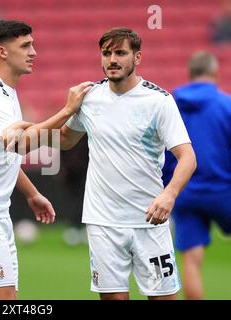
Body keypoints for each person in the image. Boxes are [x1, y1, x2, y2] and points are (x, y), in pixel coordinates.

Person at [14, 27, 196, 300]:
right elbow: (65, 140)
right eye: (106, 53)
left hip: (149, 220)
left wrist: (169, 195)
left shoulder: (159, 101)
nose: (112, 59)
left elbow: (188, 157)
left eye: (120, 53)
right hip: (103, 222)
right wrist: (32, 127)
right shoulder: (89, 98)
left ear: (137, 58)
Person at [0, 20, 91, 300]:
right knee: (2, 300)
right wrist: (66, 110)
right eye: (25, 45)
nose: (33, 52)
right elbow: (20, 143)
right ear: (2, 52)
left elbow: (3, 155)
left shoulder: (6, 92)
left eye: (32, 44)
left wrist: (32, 193)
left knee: (8, 298)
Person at [162, 51, 231, 300]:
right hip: (225, 191)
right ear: (215, 73)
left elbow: (162, 153)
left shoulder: (170, 105)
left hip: (185, 190)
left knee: (191, 261)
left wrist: (167, 187)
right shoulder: (227, 105)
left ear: (190, 74)